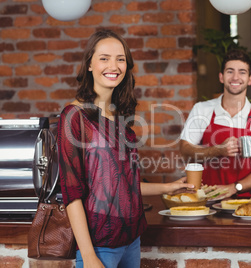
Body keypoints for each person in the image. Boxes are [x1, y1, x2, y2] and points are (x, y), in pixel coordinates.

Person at [57, 29, 194, 268]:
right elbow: (72, 194)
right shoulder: (74, 116)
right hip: (100, 244)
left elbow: (120, 184)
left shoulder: (119, 117)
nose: (114, 65)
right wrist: (88, 256)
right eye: (104, 58)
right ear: (89, 64)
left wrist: (168, 187)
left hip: (132, 240)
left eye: (120, 59)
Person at [180, 49, 251, 198]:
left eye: (242, 72)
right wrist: (217, 150)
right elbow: (185, 149)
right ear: (221, 77)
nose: (235, 77)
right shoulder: (202, 109)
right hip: (204, 197)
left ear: (250, 79)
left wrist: (234, 187)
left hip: (241, 201)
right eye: (230, 71)